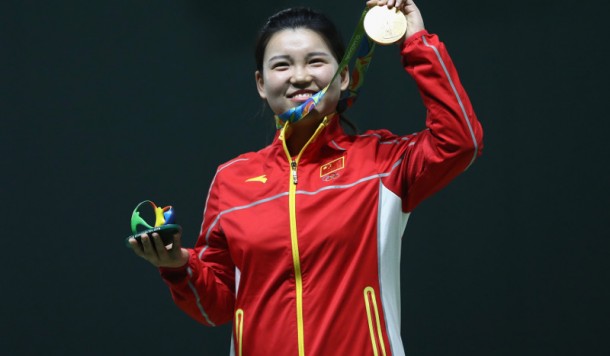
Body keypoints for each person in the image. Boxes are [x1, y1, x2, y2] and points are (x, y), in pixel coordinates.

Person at [129, 0, 483, 354]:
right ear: (261, 83)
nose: (299, 76)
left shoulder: (382, 163)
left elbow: (459, 141)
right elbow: (217, 308)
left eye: (315, 61)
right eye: (281, 65)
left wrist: (416, 39)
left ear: (343, 75)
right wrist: (177, 265)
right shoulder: (231, 181)